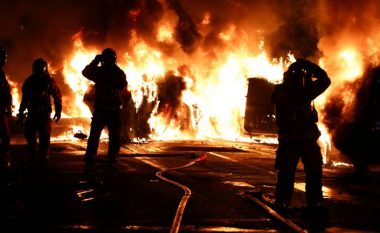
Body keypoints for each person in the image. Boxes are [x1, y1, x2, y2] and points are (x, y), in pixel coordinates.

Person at [271, 58, 331, 212]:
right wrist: (310, 67)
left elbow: (325, 81)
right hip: (300, 140)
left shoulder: (282, 90)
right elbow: (324, 79)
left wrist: (304, 68)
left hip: (294, 140)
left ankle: (283, 202)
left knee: (291, 173)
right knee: (309, 172)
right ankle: (312, 203)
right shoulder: (302, 91)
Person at [82, 48, 128, 167]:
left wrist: (95, 61)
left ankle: (93, 157)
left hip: (107, 109)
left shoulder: (102, 72)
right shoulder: (117, 72)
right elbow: (85, 72)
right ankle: (110, 158)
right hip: (109, 109)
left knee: (100, 135)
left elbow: (86, 72)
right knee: (110, 136)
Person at [17, 58, 62, 166]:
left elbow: (57, 96)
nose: (38, 71)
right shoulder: (29, 81)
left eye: (40, 68)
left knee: (45, 136)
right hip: (32, 113)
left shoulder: (49, 81)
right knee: (29, 134)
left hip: (44, 114)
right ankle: (33, 154)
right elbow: (25, 98)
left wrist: (58, 111)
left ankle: (44, 156)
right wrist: (21, 112)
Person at [0, 47, 12, 169]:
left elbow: (5, 92)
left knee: (6, 135)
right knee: (5, 135)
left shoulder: (1, 73)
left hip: (1, 110)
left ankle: (4, 159)